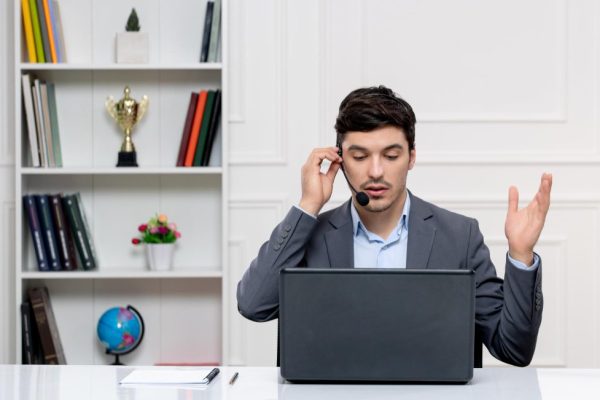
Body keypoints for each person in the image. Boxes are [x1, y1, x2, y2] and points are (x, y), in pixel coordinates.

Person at [236, 85, 552, 367]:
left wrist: (521, 255)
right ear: (340, 161)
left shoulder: (459, 236)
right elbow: (253, 305)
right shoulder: (311, 235)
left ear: (411, 157)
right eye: (359, 156)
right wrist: (307, 206)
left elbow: (513, 349)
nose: (375, 171)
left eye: (391, 155)